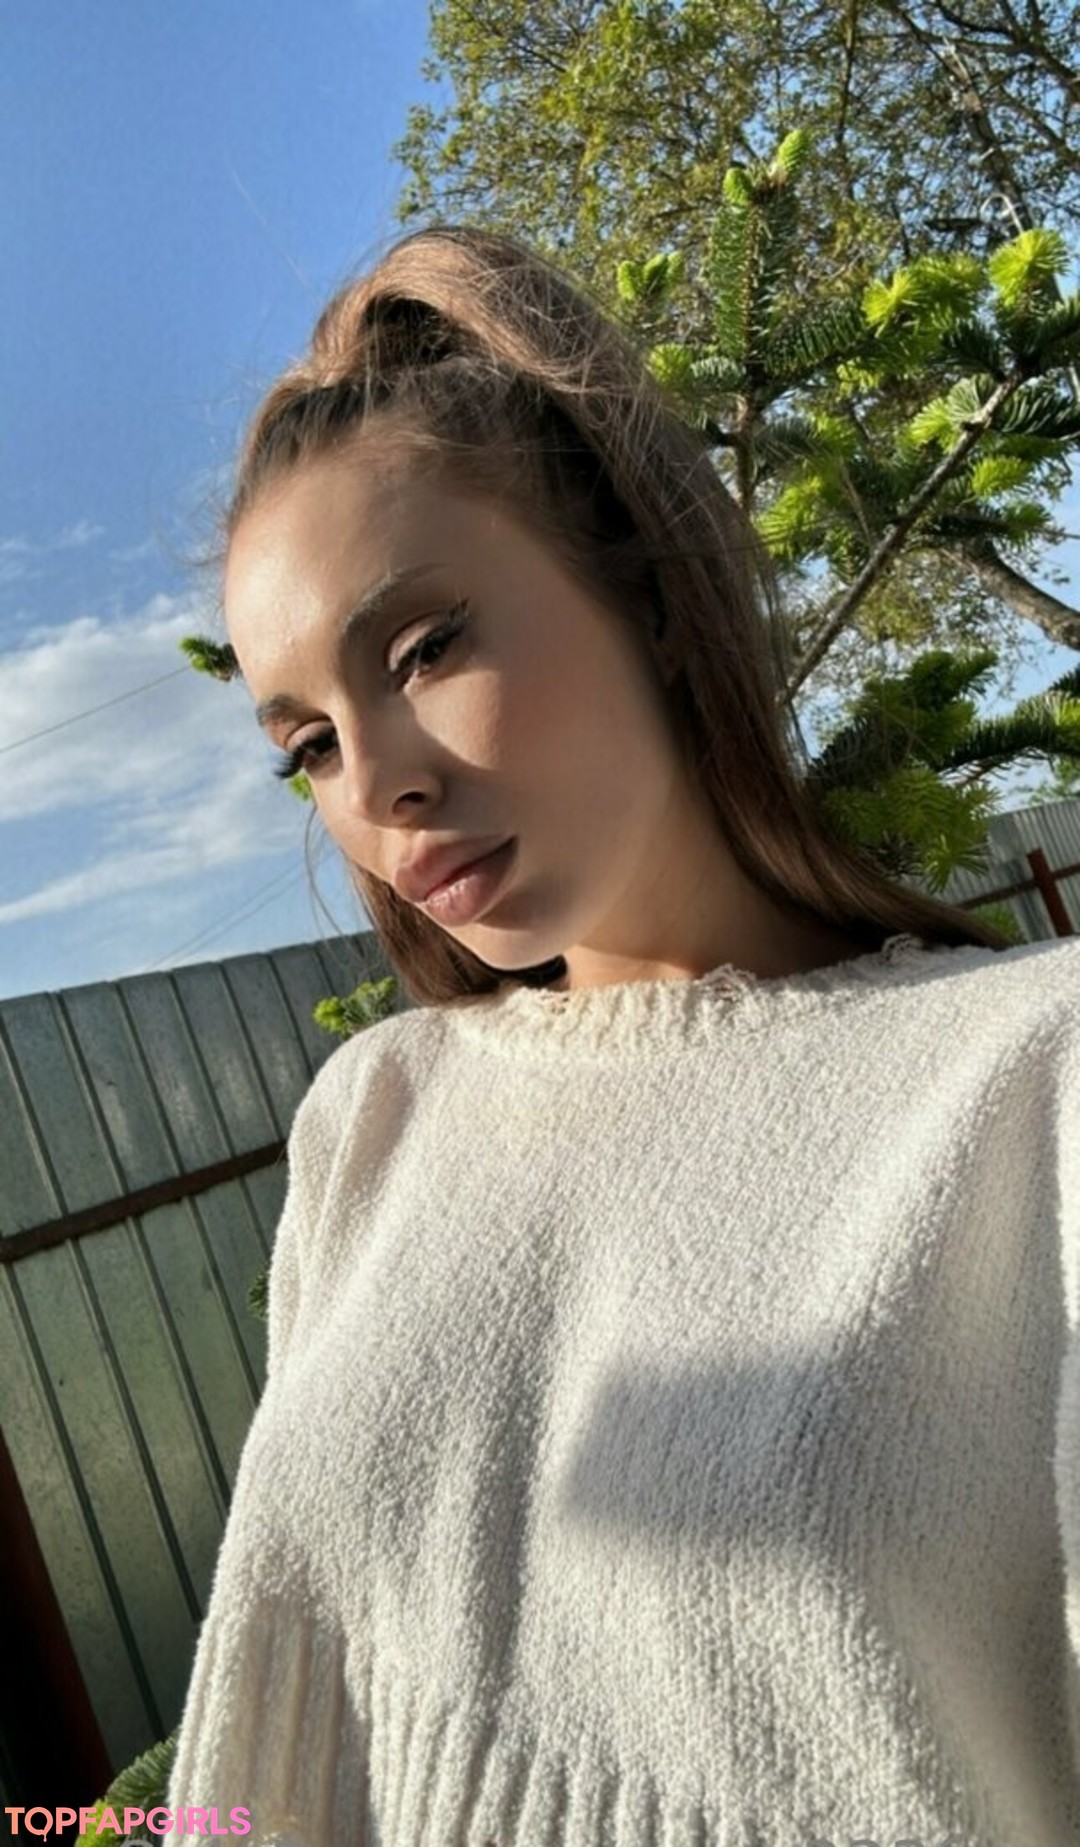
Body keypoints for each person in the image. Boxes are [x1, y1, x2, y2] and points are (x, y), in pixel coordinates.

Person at [167, 224, 1080, 1846]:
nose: (377, 786)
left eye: (426, 648)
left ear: (646, 589)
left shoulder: (1031, 1082)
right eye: (306, 742)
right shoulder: (371, 1120)